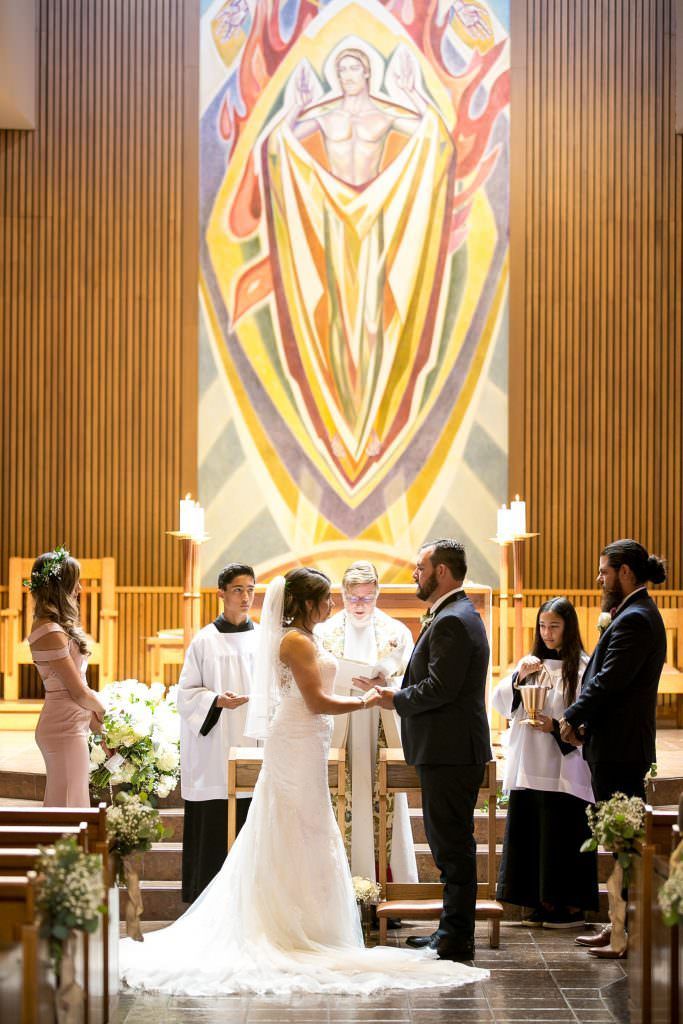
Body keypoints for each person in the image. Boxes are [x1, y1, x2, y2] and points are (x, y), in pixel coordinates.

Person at [119, 568, 487, 995]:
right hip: (296, 740)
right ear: (308, 603)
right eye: (326, 599)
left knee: (308, 830)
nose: (333, 606)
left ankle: (308, 923)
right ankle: (286, 926)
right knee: (297, 827)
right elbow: (315, 700)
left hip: (307, 742)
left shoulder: (305, 638)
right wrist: (365, 700)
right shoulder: (294, 641)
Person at [372, 539, 491, 963]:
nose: (414, 575)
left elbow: (442, 687)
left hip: (451, 751)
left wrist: (395, 698)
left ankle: (457, 937)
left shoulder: (453, 620)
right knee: (448, 846)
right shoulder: (454, 614)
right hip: (449, 749)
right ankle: (451, 931)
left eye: (419, 568)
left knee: (453, 848)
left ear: (441, 571)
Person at [560, 539, 667, 956]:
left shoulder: (636, 618)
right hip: (615, 741)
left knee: (624, 841)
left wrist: (572, 717)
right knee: (619, 839)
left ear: (625, 572)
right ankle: (618, 924)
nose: (599, 579)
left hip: (622, 749)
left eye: (604, 571)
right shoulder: (633, 612)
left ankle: (626, 932)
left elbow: (608, 681)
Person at [493, 598, 598, 929]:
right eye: (542, 626)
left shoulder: (581, 667)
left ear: (568, 628)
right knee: (534, 833)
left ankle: (568, 905)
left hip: (563, 766)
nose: (547, 633)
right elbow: (501, 703)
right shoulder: (531, 665)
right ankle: (541, 900)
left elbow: (588, 715)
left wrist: (555, 726)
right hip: (531, 763)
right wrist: (516, 678)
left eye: (554, 626)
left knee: (562, 833)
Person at [316, 560, 416, 884]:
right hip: (341, 727)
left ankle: (387, 887)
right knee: (337, 801)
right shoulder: (324, 633)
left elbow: (411, 682)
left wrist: (385, 682)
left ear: (377, 593)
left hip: (381, 725)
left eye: (367, 598)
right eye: (353, 598)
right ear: (342, 594)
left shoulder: (396, 633)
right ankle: (340, 889)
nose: (360, 605)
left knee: (383, 804)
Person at [177, 563, 258, 903]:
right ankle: (205, 900)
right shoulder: (205, 641)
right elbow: (185, 694)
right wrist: (216, 701)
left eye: (251, 590)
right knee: (215, 821)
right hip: (216, 750)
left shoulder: (262, 638)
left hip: (254, 742)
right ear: (221, 593)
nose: (245, 597)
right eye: (238, 590)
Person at [26, 547, 106, 806]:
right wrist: (107, 710)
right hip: (63, 730)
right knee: (69, 810)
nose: (80, 589)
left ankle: (66, 848)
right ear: (60, 587)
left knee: (71, 805)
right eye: (76, 583)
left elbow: (79, 689)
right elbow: (78, 692)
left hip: (71, 725)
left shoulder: (55, 627)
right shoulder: (50, 631)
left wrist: (98, 726)